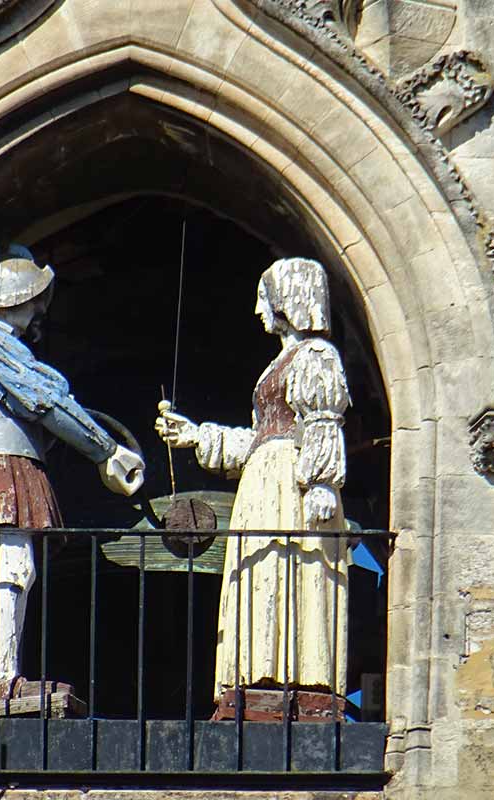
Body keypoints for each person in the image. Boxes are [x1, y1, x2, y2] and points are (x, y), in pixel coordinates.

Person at [0, 243, 145, 705]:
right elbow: (42, 399)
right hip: (1, 470)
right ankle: (3, 682)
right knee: (14, 569)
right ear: (13, 300)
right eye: (33, 302)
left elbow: (42, 400)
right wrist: (105, 450)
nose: (37, 313)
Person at [154, 257, 351, 716]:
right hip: (264, 480)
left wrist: (321, 483)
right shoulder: (277, 364)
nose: (260, 310)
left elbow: (322, 422)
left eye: (266, 300)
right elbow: (263, 435)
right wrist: (197, 434)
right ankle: (257, 674)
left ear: (288, 301)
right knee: (262, 570)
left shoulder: (317, 357)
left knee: (287, 563)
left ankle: (295, 680)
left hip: (291, 482)